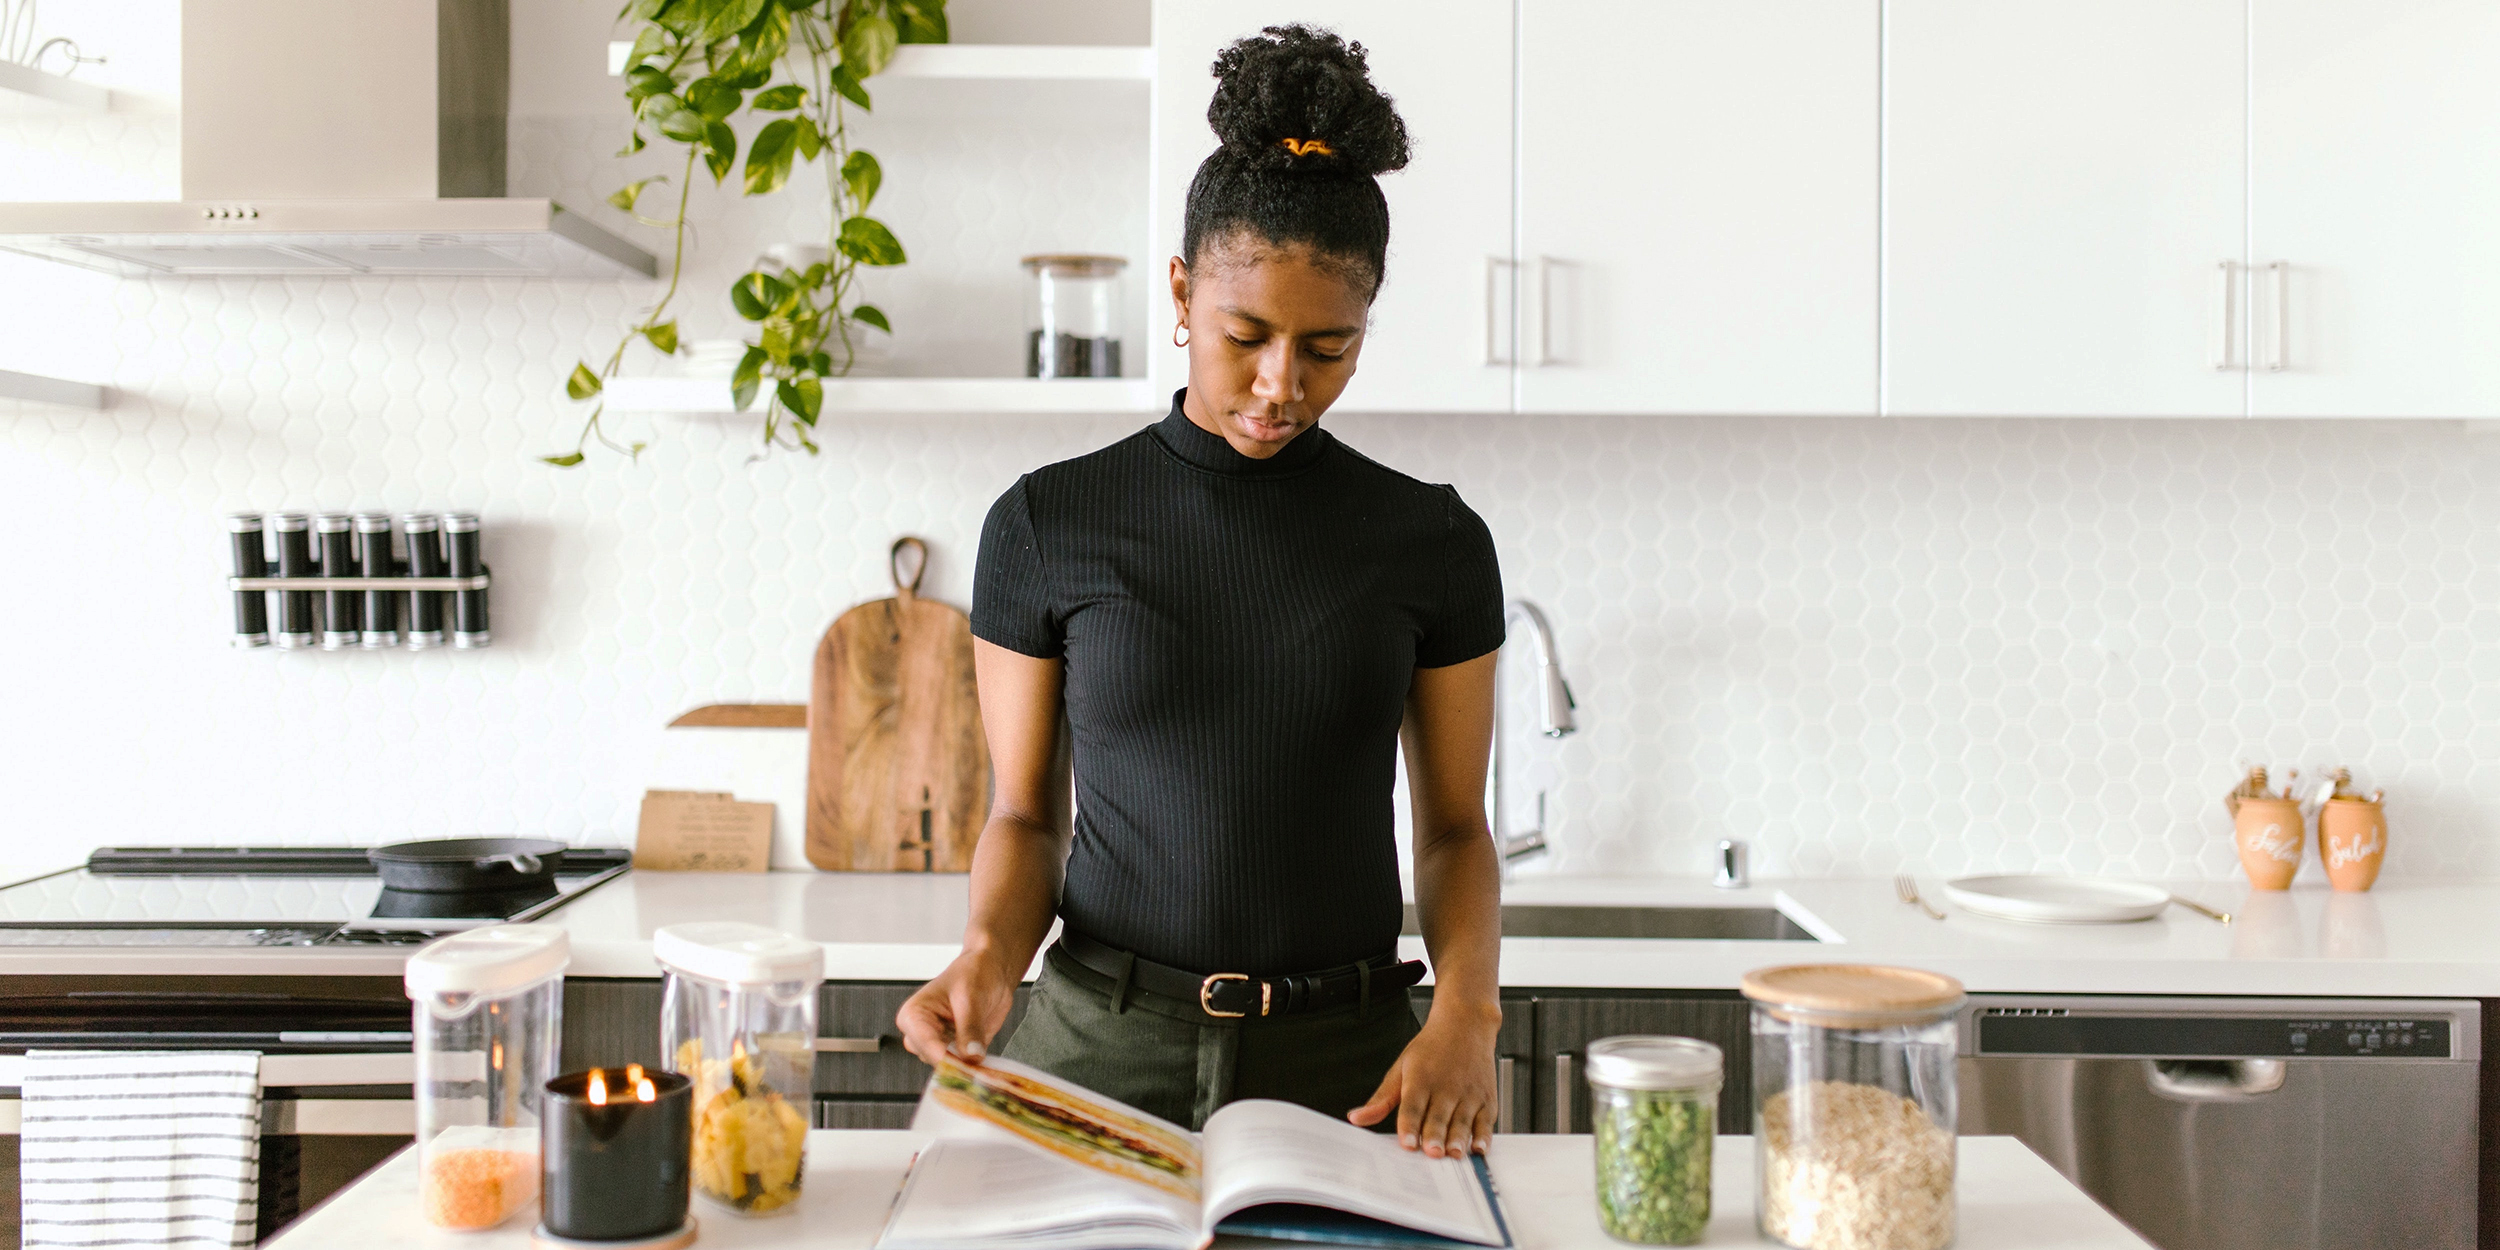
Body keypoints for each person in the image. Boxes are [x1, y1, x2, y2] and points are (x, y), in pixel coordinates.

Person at [896, 24, 1506, 1160]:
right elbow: (1027, 812)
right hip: (1098, 1050)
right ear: (1182, 292)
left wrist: (1466, 1012)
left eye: (1328, 346)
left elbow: (1457, 828)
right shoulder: (1045, 524)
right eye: (1246, 336)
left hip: (1358, 1065)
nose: (1281, 385)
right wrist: (985, 957)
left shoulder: (1431, 539)